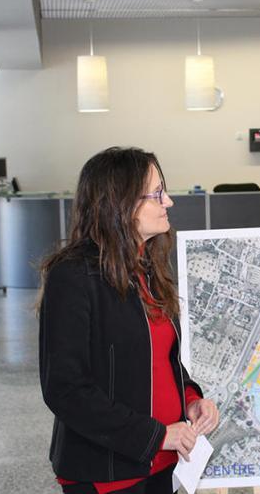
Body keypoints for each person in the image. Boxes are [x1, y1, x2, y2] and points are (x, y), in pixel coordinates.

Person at [39, 147, 219, 494]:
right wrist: (156, 435)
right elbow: (65, 389)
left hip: (163, 461)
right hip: (108, 470)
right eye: (156, 194)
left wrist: (192, 399)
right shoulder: (74, 275)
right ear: (118, 203)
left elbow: (162, 361)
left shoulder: (147, 267)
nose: (168, 202)